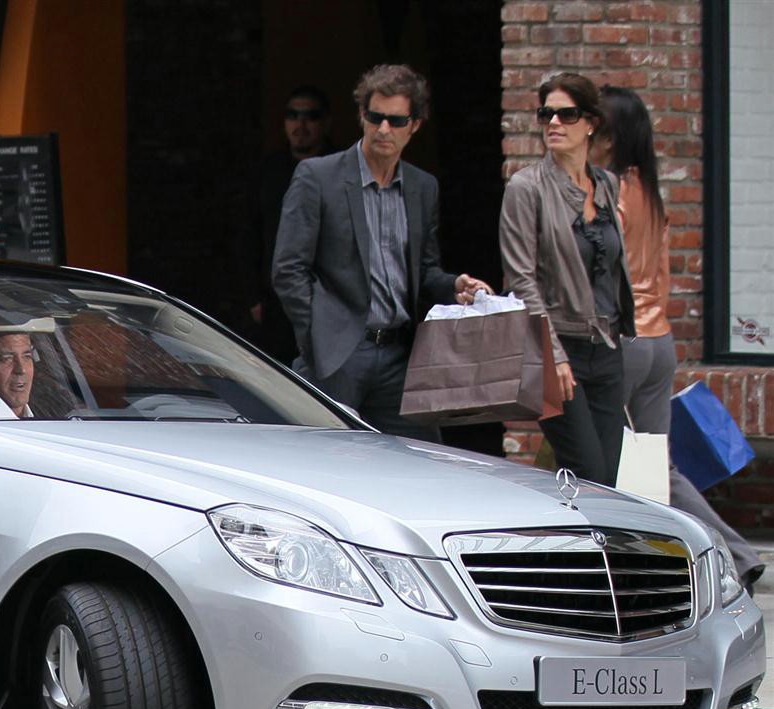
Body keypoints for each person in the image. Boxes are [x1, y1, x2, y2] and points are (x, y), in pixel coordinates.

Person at [594, 86, 761, 586]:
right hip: (658, 340)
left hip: (620, 341)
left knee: (589, 460)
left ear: (610, 135)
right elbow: (662, 274)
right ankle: (735, 554)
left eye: (594, 124)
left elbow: (604, 271)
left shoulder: (607, 193)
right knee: (657, 468)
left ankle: (615, 570)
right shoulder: (649, 190)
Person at [272, 64, 489, 438]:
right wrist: (319, 340)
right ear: (361, 115)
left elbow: (423, 270)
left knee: (418, 465)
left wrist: (454, 286)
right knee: (332, 465)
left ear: (415, 125)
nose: (384, 129)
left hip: (399, 355)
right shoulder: (318, 177)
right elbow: (288, 269)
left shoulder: (423, 188)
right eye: (375, 117)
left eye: (395, 120)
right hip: (339, 353)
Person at [499, 72, 636, 486]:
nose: (554, 123)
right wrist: (554, 354)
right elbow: (521, 279)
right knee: (588, 474)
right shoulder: (526, 188)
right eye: (547, 114)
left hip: (607, 349)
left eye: (566, 114)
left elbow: (612, 265)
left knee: (605, 482)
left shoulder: (607, 184)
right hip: (557, 350)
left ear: (591, 122)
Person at [248, 84, 332, 365]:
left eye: (311, 116)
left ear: (325, 122)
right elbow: (249, 234)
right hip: (277, 304)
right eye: (293, 115)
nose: (301, 124)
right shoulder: (268, 172)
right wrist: (252, 297)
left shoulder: (341, 171)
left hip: (329, 301)